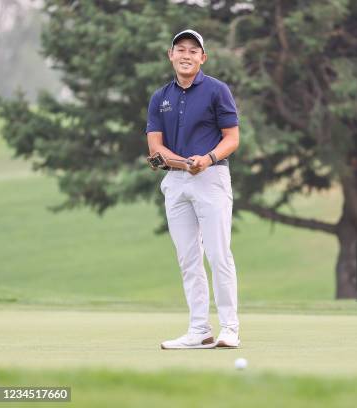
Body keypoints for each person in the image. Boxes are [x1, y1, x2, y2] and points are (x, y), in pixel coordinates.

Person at [145, 29, 240, 349]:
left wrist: (209, 158)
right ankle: (199, 329)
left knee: (218, 254)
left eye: (193, 50)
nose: (186, 55)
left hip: (212, 178)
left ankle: (230, 328)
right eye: (180, 49)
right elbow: (155, 147)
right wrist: (182, 163)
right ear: (170, 55)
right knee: (188, 259)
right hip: (176, 181)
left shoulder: (217, 90)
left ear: (203, 58)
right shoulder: (161, 97)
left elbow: (232, 138)